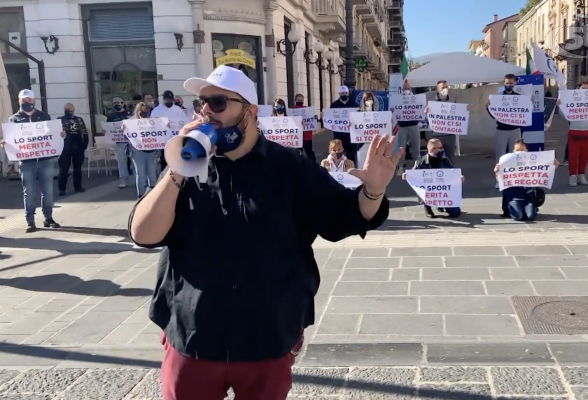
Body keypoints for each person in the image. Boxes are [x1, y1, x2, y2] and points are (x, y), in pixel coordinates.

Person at [128, 65, 401, 400]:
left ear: (250, 111)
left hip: (267, 337)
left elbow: (343, 217)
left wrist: (372, 191)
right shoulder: (183, 166)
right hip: (193, 334)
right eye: (201, 104)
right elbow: (144, 234)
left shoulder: (289, 166)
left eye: (217, 102)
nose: (206, 112)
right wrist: (179, 167)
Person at [4, 89, 63, 231]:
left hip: (45, 159)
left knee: (47, 190)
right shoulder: (13, 119)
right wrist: (6, 143)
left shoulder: (44, 116)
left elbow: (52, 135)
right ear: (19, 101)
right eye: (24, 100)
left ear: (34, 101)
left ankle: (48, 218)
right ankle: (30, 220)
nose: (27, 102)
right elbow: (12, 140)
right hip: (26, 161)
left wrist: (60, 135)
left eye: (29, 100)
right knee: (28, 191)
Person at [494, 139, 558, 221]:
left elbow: (543, 171)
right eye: (517, 150)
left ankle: (529, 208)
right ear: (513, 151)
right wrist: (497, 172)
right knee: (518, 216)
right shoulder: (507, 163)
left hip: (528, 197)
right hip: (513, 197)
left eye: (522, 150)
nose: (520, 152)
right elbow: (500, 181)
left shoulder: (533, 163)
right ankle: (510, 208)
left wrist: (553, 165)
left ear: (526, 151)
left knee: (530, 216)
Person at [558, 77, 588, 186]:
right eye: (583, 88)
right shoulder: (571, 99)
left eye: (587, 88)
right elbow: (564, 115)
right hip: (574, 131)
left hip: (587, 132)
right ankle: (572, 176)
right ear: (578, 88)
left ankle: (581, 175)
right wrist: (560, 105)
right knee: (573, 156)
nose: (585, 91)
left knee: (585, 156)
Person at [402, 138, 464, 218]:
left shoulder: (445, 160)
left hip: (443, 191)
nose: (439, 150)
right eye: (436, 148)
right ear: (429, 149)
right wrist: (406, 175)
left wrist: (460, 177)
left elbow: (453, 172)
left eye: (441, 148)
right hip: (428, 191)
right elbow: (413, 174)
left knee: (456, 213)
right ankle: (427, 207)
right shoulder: (420, 162)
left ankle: (440, 204)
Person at [486, 74, 527, 188]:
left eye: (511, 83)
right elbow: (494, 114)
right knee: (501, 156)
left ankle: (514, 179)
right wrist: (488, 107)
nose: (509, 85)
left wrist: (530, 102)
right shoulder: (498, 98)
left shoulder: (520, 97)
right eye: (507, 83)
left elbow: (525, 112)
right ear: (504, 83)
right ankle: (499, 180)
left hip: (515, 130)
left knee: (516, 156)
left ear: (515, 83)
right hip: (501, 130)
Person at [424, 80, 461, 165]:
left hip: (450, 135)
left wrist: (464, 111)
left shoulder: (452, 101)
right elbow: (428, 122)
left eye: (446, 87)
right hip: (437, 135)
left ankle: (451, 174)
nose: (445, 89)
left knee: (450, 158)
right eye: (443, 87)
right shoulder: (432, 103)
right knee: (435, 157)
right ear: (437, 89)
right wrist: (426, 114)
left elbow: (458, 117)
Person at [127, 102, 158, 199]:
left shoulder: (152, 121)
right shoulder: (131, 121)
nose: (144, 113)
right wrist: (124, 129)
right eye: (142, 111)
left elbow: (159, 133)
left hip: (151, 151)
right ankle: (140, 196)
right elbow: (126, 136)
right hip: (138, 152)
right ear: (137, 111)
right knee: (140, 175)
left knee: (152, 175)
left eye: (146, 111)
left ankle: (152, 195)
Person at [58, 103, 89, 195]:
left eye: (70, 108)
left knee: (78, 168)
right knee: (64, 169)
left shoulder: (79, 120)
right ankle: (62, 189)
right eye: (66, 109)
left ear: (74, 109)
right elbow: (55, 134)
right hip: (65, 147)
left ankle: (78, 186)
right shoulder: (60, 120)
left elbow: (85, 132)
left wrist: (84, 145)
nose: (68, 110)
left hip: (78, 146)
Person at [394, 81, 422, 175]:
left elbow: (420, 109)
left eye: (408, 88)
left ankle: (418, 166)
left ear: (411, 89)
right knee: (401, 148)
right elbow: (394, 111)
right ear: (402, 89)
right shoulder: (398, 99)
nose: (406, 90)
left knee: (416, 148)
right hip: (402, 127)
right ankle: (400, 167)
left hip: (414, 126)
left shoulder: (416, 99)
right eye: (405, 89)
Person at [330, 85, 359, 164]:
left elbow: (358, 117)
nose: (344, 95)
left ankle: (351, 171)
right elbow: (329, 118)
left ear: (348, 93)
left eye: (345, 93)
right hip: (338, 135)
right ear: (339, 94)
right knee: (338, 155)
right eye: (342, 93)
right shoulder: (334, 105)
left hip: (351, 135)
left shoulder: (354, 104)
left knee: (351, 156)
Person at [107, 97, 131, 188]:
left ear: (123, 103)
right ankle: (123, 180)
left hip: (131, 141)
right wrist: (105, 132)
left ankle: (138, 180)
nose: (117, 105)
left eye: (118, 103)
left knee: (134, 163)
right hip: (120, 142)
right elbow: (108, 128)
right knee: (122, 163)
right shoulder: (111, 116)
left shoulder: (129, 113)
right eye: (115, 103)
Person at [293, 93, 316, 162]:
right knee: (298, 154)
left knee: (309, 153)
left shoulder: (307, 110)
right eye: (298, 100)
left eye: (301, 100)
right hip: (297, 136)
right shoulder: (292, 111)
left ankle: (313, 167)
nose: (300, 101)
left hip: (307, 136)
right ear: (295, 100)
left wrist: (315, 118)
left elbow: (312, 118)